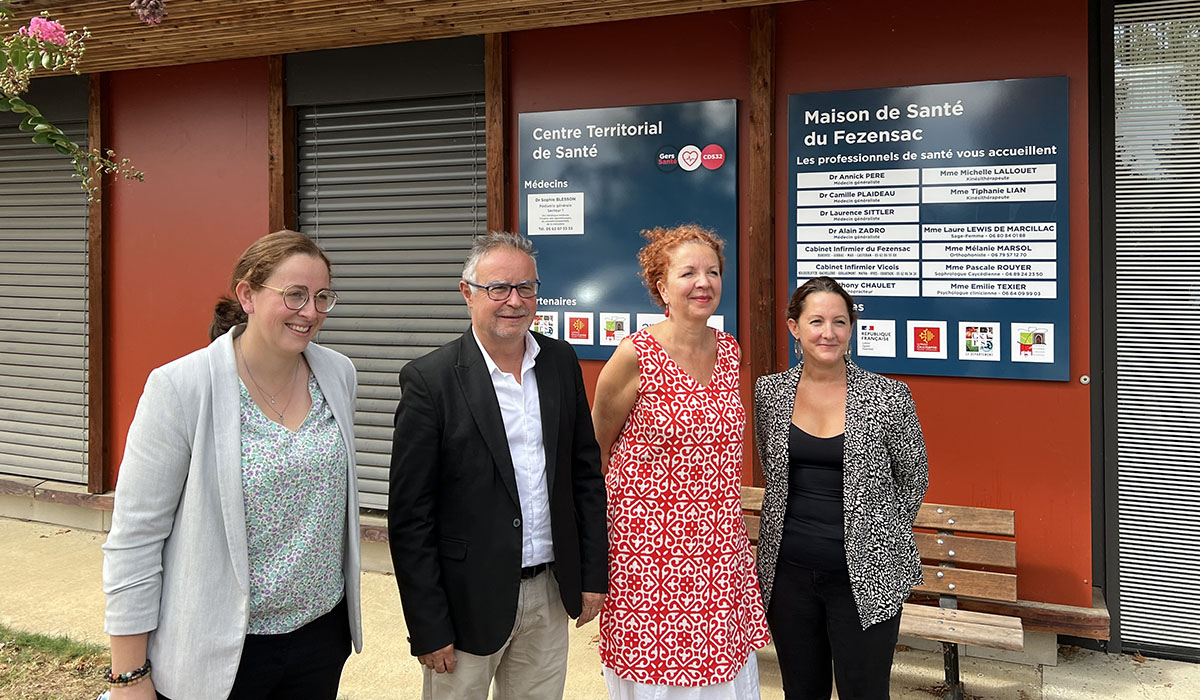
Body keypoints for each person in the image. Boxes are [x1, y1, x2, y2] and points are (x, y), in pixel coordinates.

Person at [101, 230, 363, 700]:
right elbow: (136, 537)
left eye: (322, 297)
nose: (310, 312)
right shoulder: (181, 388)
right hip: (222, 649)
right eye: (295, 294)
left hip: (320, 636)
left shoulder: (338, 373)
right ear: (247, 295)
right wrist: (129, 675)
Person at [388, 231, 608, 700]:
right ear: (467, 292)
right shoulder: (430, 380)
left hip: (549, 591)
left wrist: (592, 575)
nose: (514, 301)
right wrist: (428, 625)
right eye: (498, 288)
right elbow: (410, 518)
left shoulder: (560, 362)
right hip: (465, 602)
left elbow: (585, 475)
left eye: (526, 287)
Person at [592, 225, 770, 699]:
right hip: (649, 552)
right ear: (662, 286)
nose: (703, 282)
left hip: (718, 548)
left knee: (721, 673)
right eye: (688, 272)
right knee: (656, 675)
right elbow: (597, 449)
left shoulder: (729, 351)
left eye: (712, 272)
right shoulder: (635, 354)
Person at [753, 276, 928, 700]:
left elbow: (914, 477)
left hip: (867, 577)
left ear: (851, 328)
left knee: (864, 691)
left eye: (839, 322)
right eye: (816, 321)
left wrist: (879, 537)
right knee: (801, 691)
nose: (828, 333)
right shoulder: (770, 392)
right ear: (794, 328)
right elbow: (771, 467)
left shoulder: (889, 396)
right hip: (789, 575)